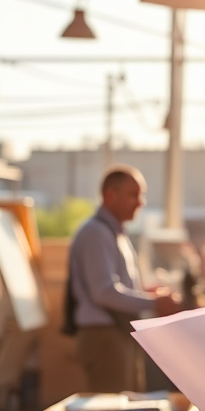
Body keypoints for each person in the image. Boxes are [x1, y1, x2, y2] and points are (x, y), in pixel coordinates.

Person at [66, 165, 183, 393]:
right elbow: (104, 292)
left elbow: (116, 288)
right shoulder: (96, 233)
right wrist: (154, 303)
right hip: (104, 337)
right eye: (134, 194)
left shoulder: (114, 233)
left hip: (116, 334)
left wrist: (148, 294)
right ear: (110, 195)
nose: (141, 202)